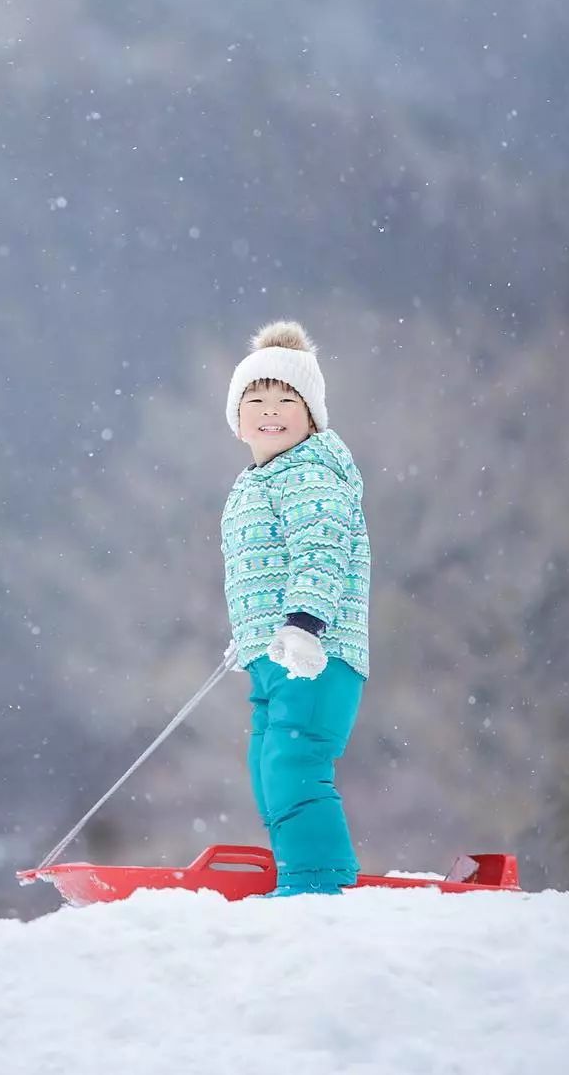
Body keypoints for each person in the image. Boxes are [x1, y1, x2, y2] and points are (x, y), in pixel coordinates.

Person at [221, 319, 371, 896]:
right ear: (237, 420)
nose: (270, 410)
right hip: (276, 653)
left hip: (317, 652)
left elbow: (321, 550)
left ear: (312, 416)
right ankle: (299, 869)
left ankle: (318, 879)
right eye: (255, 399)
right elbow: (262, 568)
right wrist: (254, 633)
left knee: (294, 760)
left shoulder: (309, 475)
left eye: (288, 399)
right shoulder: (258, 481)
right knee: (268, 764)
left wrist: (304, 624)